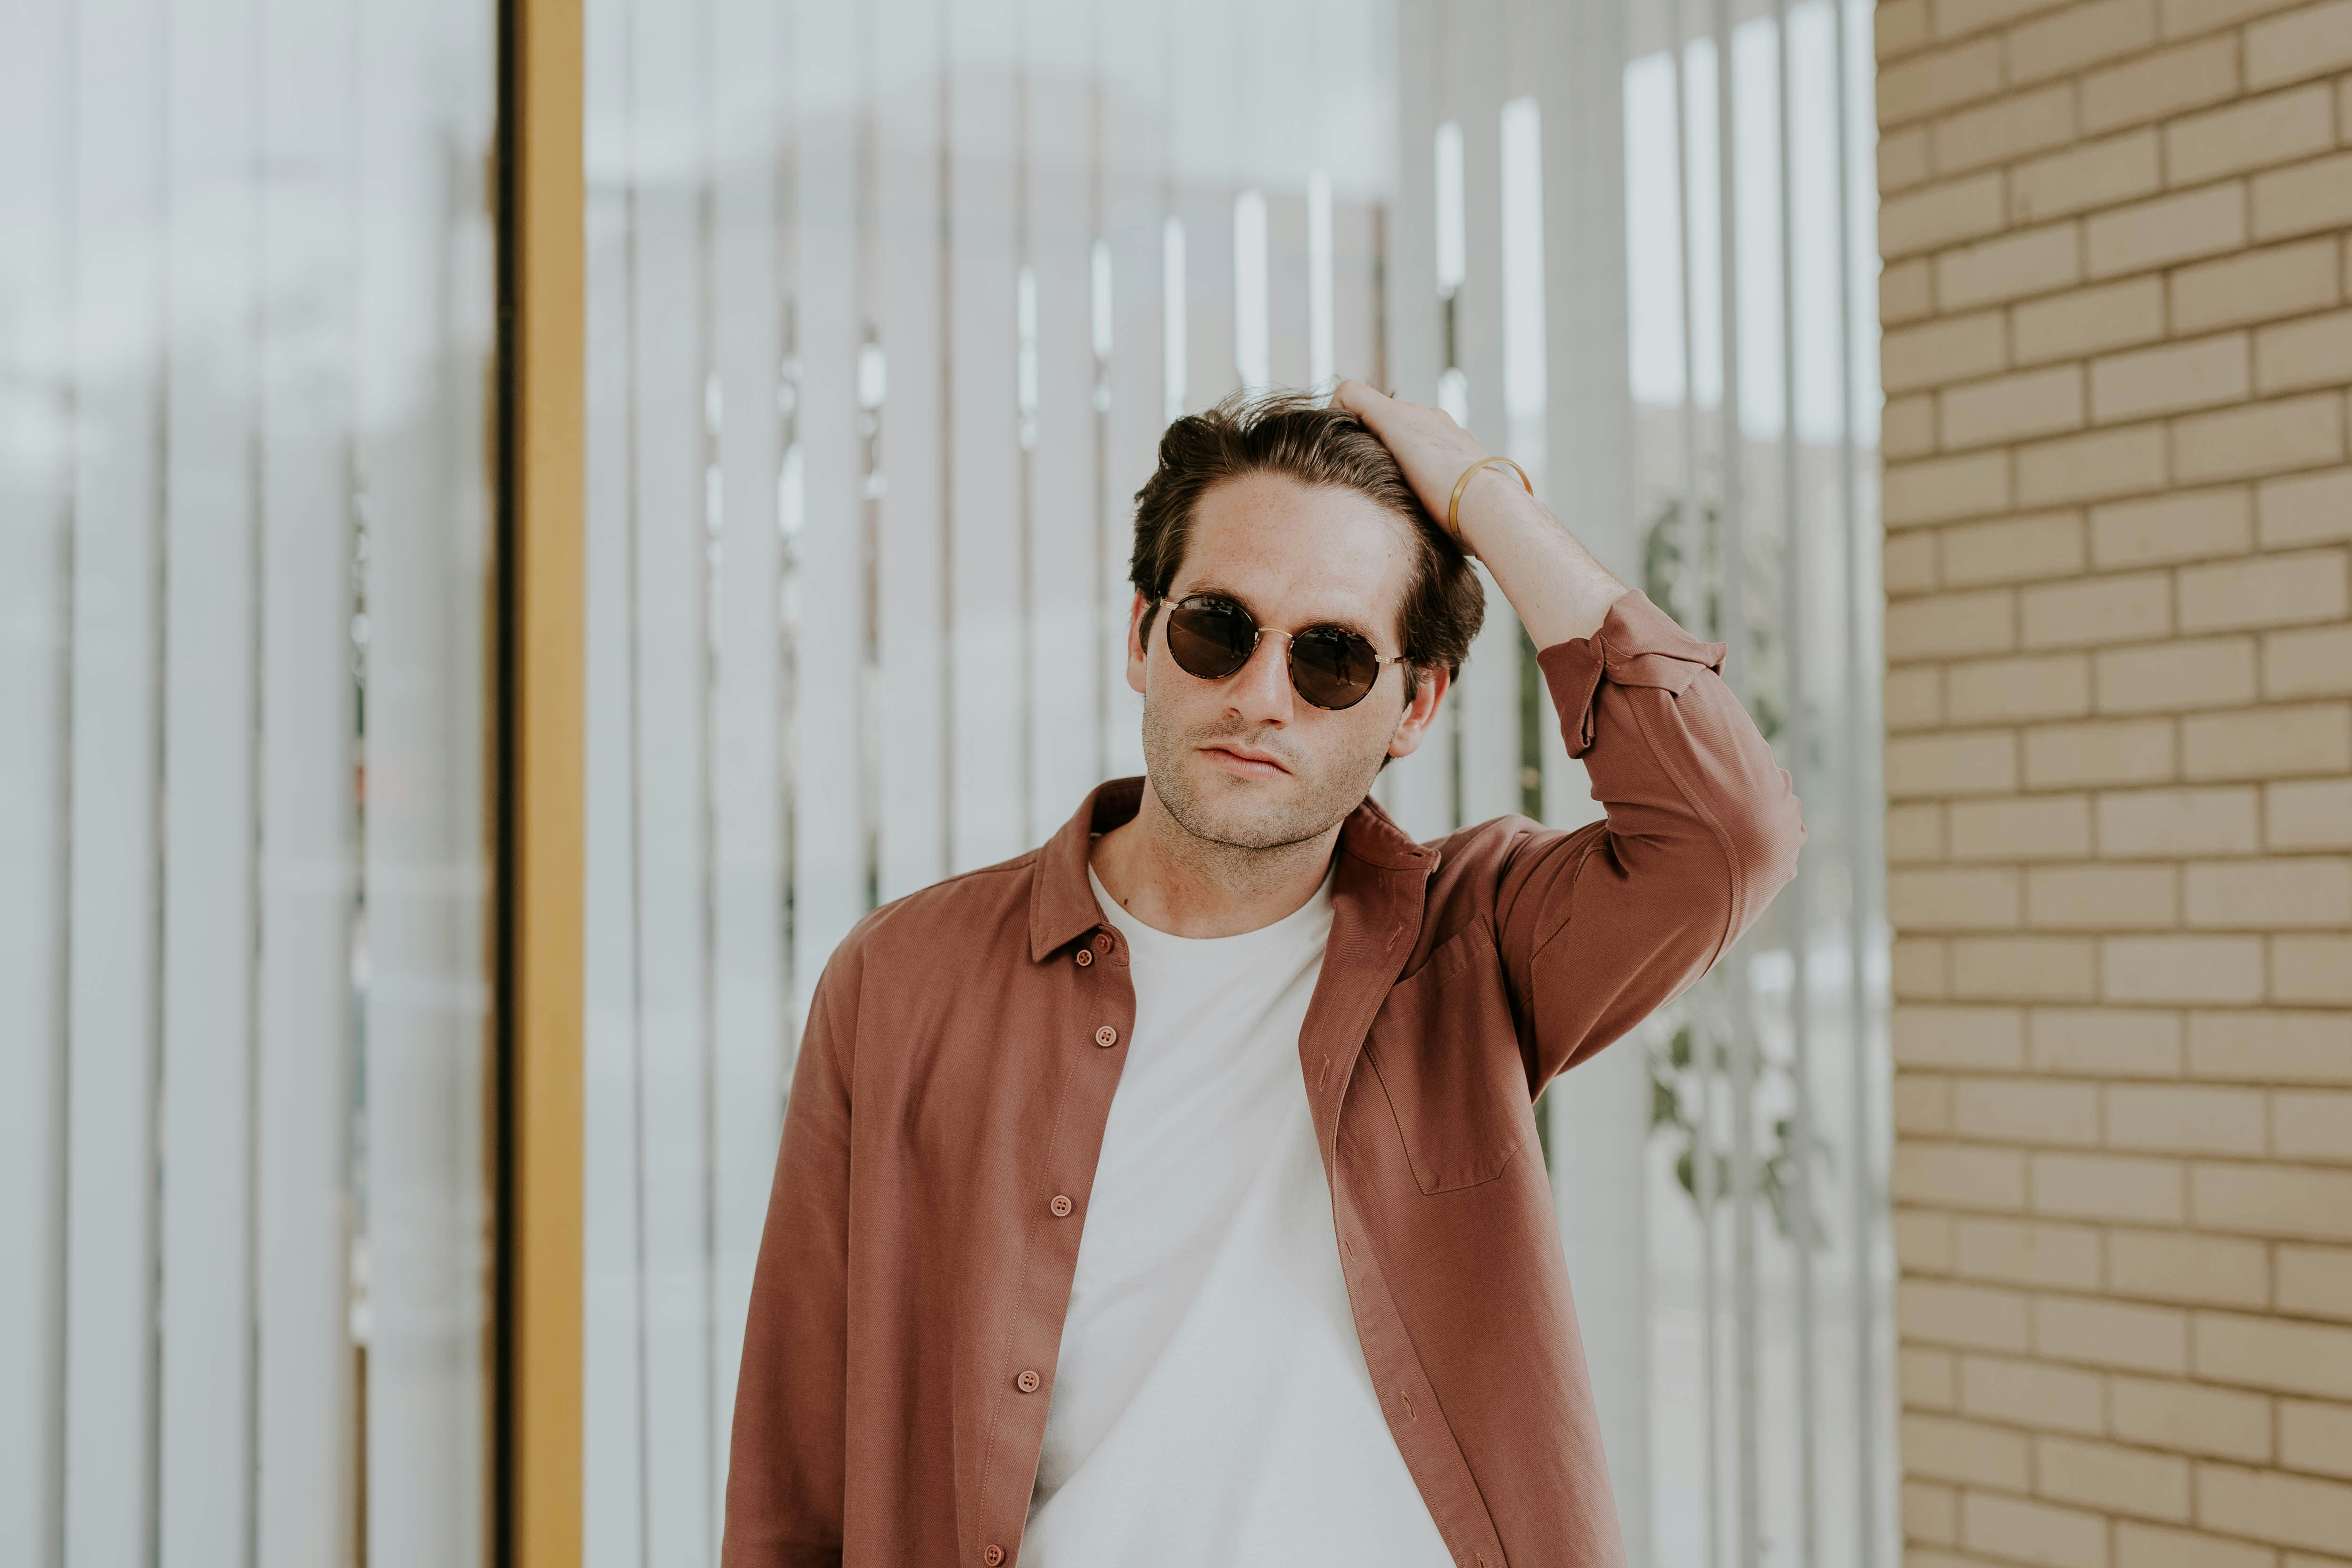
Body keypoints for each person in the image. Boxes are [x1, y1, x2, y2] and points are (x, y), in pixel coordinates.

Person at [720, 382, 1804, 1568]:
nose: (1259, 695)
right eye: (1216, 627)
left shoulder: (1473, 943)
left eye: (1333, 657)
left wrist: (1480, 496)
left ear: (1414, 705)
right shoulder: (901, 980)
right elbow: (795, 1475)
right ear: (1142, 638)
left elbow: (1723, 834)